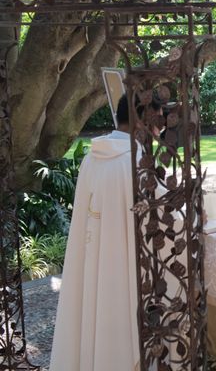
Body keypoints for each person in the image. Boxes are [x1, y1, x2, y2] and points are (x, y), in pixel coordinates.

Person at [50, 94, 161, 371]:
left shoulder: (93, 155)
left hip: (95, 258)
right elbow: (165, 218)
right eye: (156, 120)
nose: (158, 129)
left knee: (93, 309)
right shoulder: (136, 163)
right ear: (142, 120)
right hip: (124, 265)